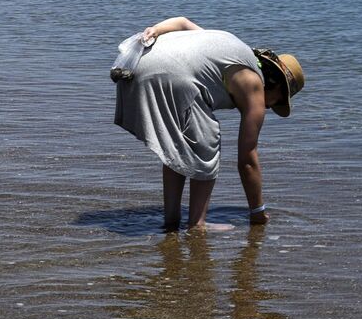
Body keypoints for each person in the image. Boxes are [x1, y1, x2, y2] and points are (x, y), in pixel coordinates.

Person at [111, 17, 305, 232]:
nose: (270, 107)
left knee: (178, 145)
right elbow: (247, 159)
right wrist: (257, 211)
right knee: (207, 139)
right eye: (279, 100)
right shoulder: (254, 85)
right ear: (276, 84)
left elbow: (183, 23)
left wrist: (155, 30)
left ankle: (171, 221)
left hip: (134, 64)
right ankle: (197, 223)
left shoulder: (230, 46)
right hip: (170, 77)